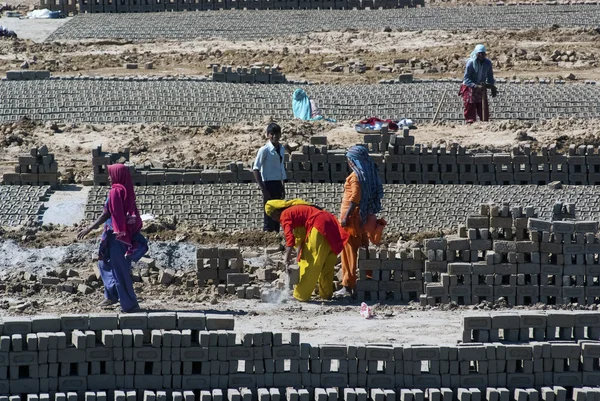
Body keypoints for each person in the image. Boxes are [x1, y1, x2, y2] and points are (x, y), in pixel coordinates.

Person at [77, 164, 148, 313]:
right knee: (104, 264)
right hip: (117, 235)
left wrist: (89, 228)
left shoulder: (116, 191)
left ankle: (130, 305)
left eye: (111, 174)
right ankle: (112, 295)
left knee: (120, 270)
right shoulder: (126, 190)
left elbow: (107, 214)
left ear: (117, 175)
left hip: (117, 237)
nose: (109, 178)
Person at [265, 199, 349, 302]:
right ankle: (326, 294)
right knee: (327, 262)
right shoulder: (295, 210)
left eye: (272, 216)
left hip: (318, 225)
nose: (275, 219)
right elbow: (300, 239)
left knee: (312, 263)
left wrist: (286, 259)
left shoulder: (285, 214)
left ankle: (300, 295)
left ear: (276, 211)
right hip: (330, 223)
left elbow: (290, 239)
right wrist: (297, 258)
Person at [335, 145, 385, 298]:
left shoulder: (356, 176)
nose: (349, 162)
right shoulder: (368, 174)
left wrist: (346, 217)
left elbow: (355, 197)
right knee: (361, 250)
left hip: (352, 222)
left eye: (350, 160)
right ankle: (366, 279)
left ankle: (348, 285)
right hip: (360, 218)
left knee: (349, 252)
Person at [253, 123, 287, 232]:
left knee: (278, 212)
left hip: (278, 183)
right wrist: (264, 189)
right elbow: (256, 169)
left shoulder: (281, 149)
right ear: (268, 135)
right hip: (268, 184)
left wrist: (283, 186)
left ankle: (276, 234)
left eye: (277, 134)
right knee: (269, 211)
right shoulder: (264, 150)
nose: (275, 136)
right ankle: (268, 235)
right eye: (272, 134)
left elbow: (281, 167)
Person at [459, 44, 498, 124]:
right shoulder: (470, 63)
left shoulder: (487, 63)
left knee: (482, 106)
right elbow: (466, 78)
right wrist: (475, 86)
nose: (481, 55)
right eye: (479, 53)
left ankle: (484, 122)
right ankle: (470, 122)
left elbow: (490, 76)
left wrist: (491, 85)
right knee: (470, 105)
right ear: (476, 53)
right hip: (470, 87)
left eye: (483, 53)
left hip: (481, 86)